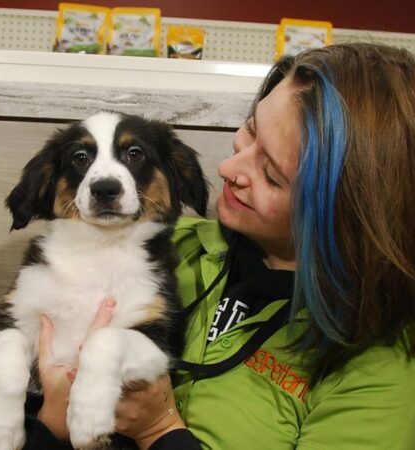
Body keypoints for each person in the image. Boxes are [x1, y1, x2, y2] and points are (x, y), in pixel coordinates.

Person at [28, 42, 415, 449]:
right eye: (250, 127)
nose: (228, 169)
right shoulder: (155, 247)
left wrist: (158, 430)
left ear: (343, 213)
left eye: (270, 175)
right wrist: (48, 422)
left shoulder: (382, 366)